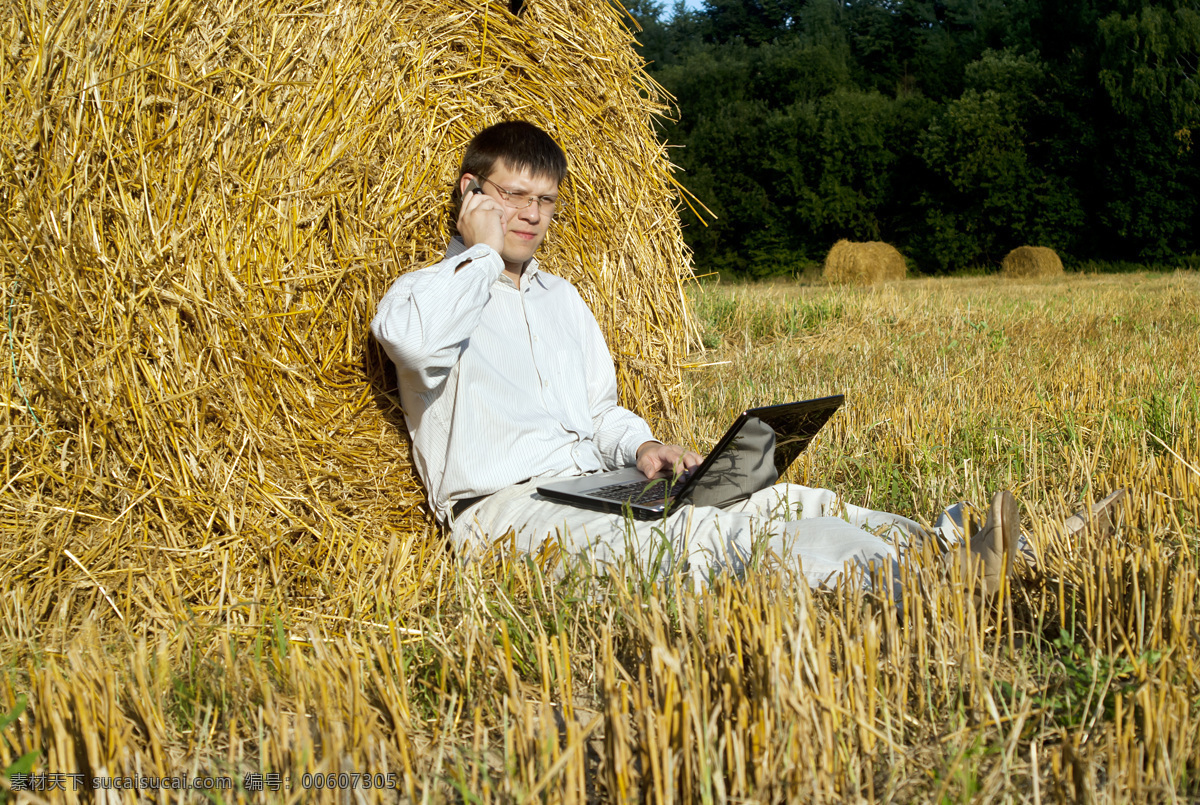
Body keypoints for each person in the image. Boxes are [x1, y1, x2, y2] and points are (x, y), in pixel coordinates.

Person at [370, 121, 1116, 591]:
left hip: (600, 482)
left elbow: (595, 411)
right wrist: (476, 250)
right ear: (472, 191)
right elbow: (413, 346)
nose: (531, 215)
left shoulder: (563, 299)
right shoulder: (427, 292)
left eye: (546, 201)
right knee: (707, 537)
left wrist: (643, 444)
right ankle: (918, 584)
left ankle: (972, 543)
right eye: (512, 195)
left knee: (769, 500)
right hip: (505, 512)